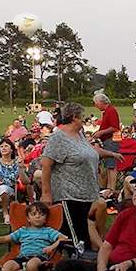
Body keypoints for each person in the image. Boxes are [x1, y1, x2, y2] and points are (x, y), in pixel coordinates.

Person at [39, 102, 102, 249]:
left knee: (85, 232)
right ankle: (75, 264)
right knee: (75, 237)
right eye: (83, 116)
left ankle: (84, 264)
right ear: (74, 117)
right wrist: (46, 194)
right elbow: (46, 165)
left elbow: (89, 153)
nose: (85, 119)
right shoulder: (58, 138)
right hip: (68, 195)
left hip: (87, 194)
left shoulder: (79, 135)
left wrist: (111, 154)